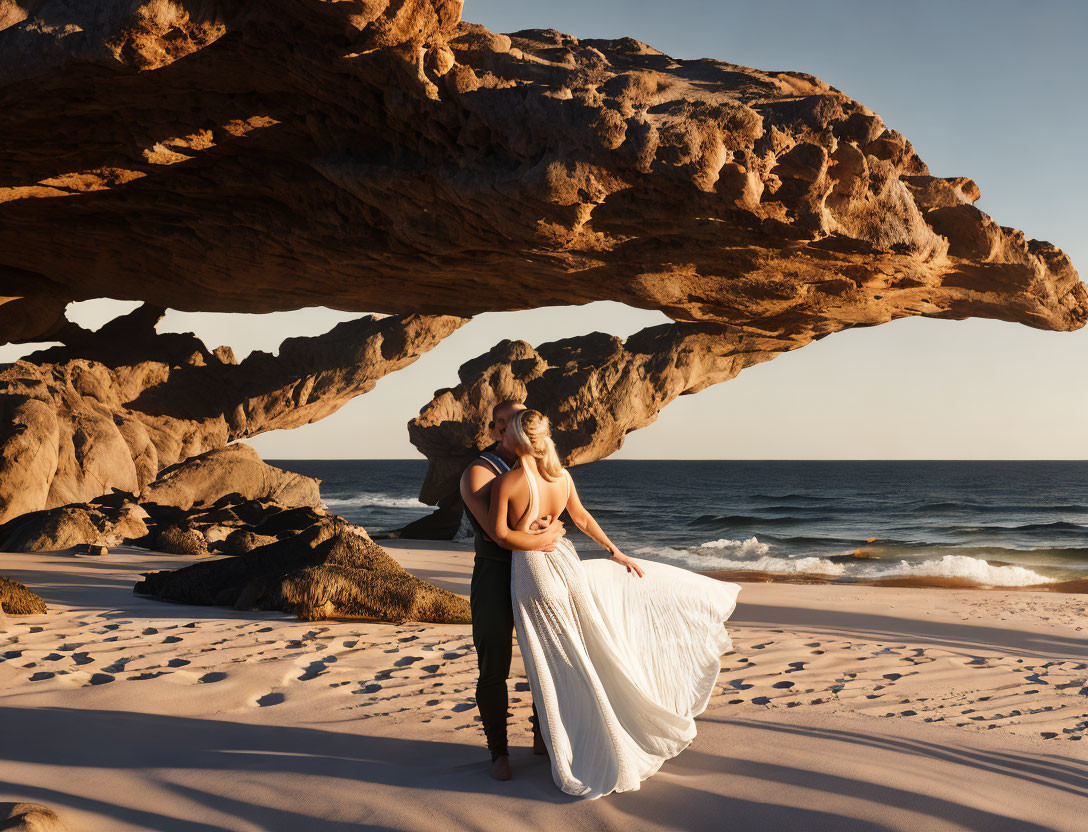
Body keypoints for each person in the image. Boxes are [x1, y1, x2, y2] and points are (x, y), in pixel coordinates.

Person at [483, 409, 742, 799]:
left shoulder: (508, 482)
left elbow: (501, 536)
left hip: (534, 571)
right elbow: (582, 519)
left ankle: (571, 749)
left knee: (551, 665)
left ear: (518, 439)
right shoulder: (561, 477)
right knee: (581, 655)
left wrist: (536, 537)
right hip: (567, 565)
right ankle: (584, 737)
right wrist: (614, 551)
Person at [459, 399, 565, 782]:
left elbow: (566, 508)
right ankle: (498, 753)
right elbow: (496, 535)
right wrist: (548, 534)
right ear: (493, 429)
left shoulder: (541, 468)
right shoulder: (478, 472)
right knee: (494, 665)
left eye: (517, 420)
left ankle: (542, 735)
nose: (508, 428)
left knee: (545, 657)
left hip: (537, 572)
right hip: (494, 574)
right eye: (502, 423)